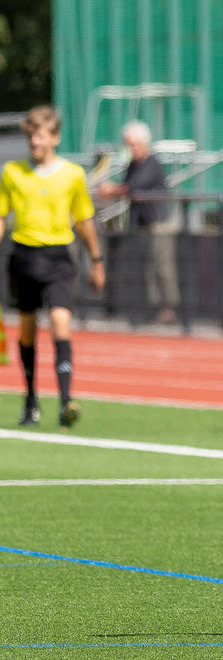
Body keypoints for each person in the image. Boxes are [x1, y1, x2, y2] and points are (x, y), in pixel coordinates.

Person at [0, 105, 105, 428]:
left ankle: (65, 402)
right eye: (31, 136)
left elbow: (84, 219)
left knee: (61, 323)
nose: (35, 142)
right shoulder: (12, 172)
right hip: (23, 257)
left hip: (59, 257)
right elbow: (1, 216)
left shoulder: (73, 174)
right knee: (28, 331)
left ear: (55, 138)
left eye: (41, 136)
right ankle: (31, 400)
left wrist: (97, 261)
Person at [97, 120, 179, 325]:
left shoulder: (152, 163)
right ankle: (154, 308)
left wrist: (111, 190)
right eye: (128, 144)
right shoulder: (133, 164)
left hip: (158, 223)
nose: (130, 148)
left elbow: (132, 187)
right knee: (149, 268)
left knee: (163, 267)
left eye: (134, 144)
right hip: (142, 223)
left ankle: (169, 309)